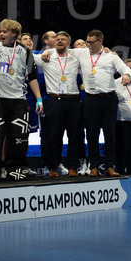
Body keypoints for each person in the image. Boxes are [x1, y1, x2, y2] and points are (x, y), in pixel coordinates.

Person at [48, 29, 131, 176]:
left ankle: (109, 166)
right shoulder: (82, 53)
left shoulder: (111, 56)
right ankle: (94, 166)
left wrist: (126, 75)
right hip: (90, 99)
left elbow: (125, 68)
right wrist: (46, 52)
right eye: (87, 42)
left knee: (110, 134)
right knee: (92, 134)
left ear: (100, 41)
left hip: (108, 98)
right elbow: (62, 49)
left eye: (92, 42)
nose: (89, 45)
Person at [0, 19, 43, 180]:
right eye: (0, 31)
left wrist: (39, 99)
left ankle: (16, 168)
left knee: (19, 137)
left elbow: (32, 77)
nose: (1, 34)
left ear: (13, 33)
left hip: (19, 100)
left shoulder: (24, 51)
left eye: (4, 32)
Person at [38, 31, 81, 176]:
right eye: (58, 39)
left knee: (74, 136)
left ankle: (73, 167)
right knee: (54, 136)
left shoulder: (75, 58)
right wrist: (47, 51)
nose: (60, 41)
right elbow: (28, 55)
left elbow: (92, 52)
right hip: (54, 100)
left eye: (63, 39)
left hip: (73, 100)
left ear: (68, 43)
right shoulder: (46, 58)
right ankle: (53, 167)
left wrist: (108, 51)